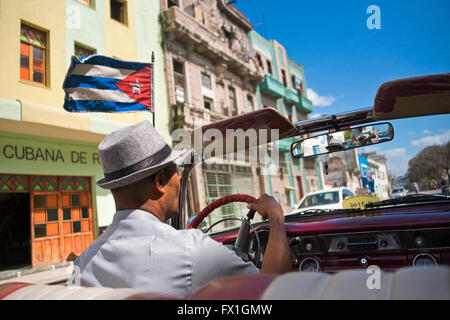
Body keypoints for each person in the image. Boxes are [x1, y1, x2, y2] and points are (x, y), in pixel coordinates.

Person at [74, 120, 291, 298]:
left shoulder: (83, 263)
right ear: (160, 181)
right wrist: (276, 217)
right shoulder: (191, 250)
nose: (179, 179)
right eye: (176, 170)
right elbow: (276, 289)